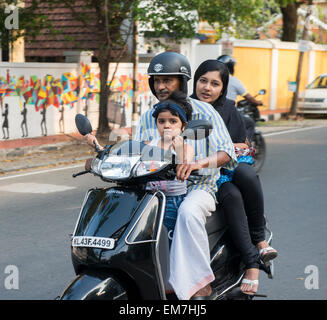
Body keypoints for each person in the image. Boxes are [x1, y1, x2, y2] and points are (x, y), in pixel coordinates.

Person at [135, 51, 237, 300]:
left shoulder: (204, 112)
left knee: (188, 214)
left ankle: (200, 284)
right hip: (157, 189)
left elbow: (227, 153)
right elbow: (136, 151)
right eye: (157, 81)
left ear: (181, 82)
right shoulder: (148, 117)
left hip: (199, 186)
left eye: (167, 80)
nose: (161, 86)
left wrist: (196, 164)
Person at [191, 59, 277, 295]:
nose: (207, 88)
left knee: (247, 174)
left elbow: (243, 145)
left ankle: (259, 241)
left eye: (215, 84)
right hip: (200, 177)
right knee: (232, 195)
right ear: (195, 81)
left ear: (223, 88)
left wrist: (222, 152)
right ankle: (251, 263)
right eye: (203, 81)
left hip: (228, 168)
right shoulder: (184, 108)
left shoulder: (228, 108)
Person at [145, 91, 194, 243]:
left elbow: (183, 168)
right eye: (161, 121)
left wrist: (179, 152)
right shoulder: (148, 145)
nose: (166, 125)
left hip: (172, 200)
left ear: (183, 126)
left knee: (167, 241)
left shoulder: (186, 147)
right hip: (148, 199)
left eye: (173, 121)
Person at [217, 55, 262, 141]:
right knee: (250, 123)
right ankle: (245, 147)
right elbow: (247, 96)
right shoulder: (234, 80)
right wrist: (257, 102)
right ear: (231, 67)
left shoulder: (214, 78)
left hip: (212, 112)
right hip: (227, 114)